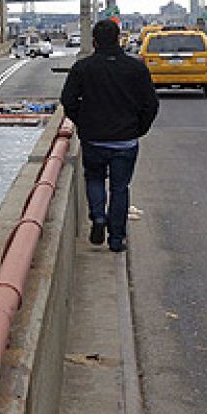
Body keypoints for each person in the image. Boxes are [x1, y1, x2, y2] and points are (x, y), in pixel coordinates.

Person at [60, 20, 159, 253]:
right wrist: (138, 129)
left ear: (94, 41)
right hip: (126, 141)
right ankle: (116, 239)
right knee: (120, 188)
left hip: (94, 138)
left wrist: (83, 123)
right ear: (119, 39)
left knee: (94, 179)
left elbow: (68, 101)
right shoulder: (136, 68)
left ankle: (98, 218)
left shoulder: (83, 68)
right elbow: (151, 105)